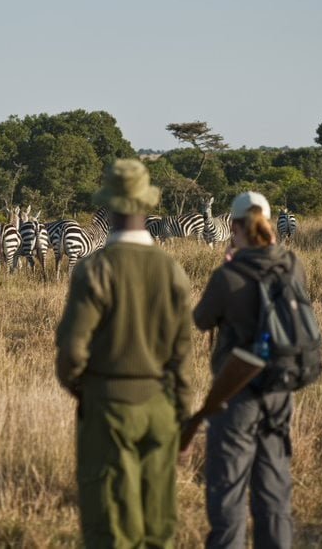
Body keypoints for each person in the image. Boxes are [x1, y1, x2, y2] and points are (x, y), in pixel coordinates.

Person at [55, 159, 194, 548]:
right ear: (147, 204)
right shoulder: (171, 269)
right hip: (161, 408)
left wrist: (84, 391)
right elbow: (183, 355)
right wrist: (183, 417)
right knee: (157, 526)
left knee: (111, 526)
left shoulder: (94, 269)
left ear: (108, 205)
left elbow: (71, 351)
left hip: (108, 406)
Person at [193, 192, 306, 549]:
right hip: (279, 392)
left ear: (234, 226)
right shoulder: (291, 264)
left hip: (235, 394)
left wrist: (228, 265)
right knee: (273, 489)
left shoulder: (229, 275)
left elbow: (201, 320)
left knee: (228, 491)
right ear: (269, 222)